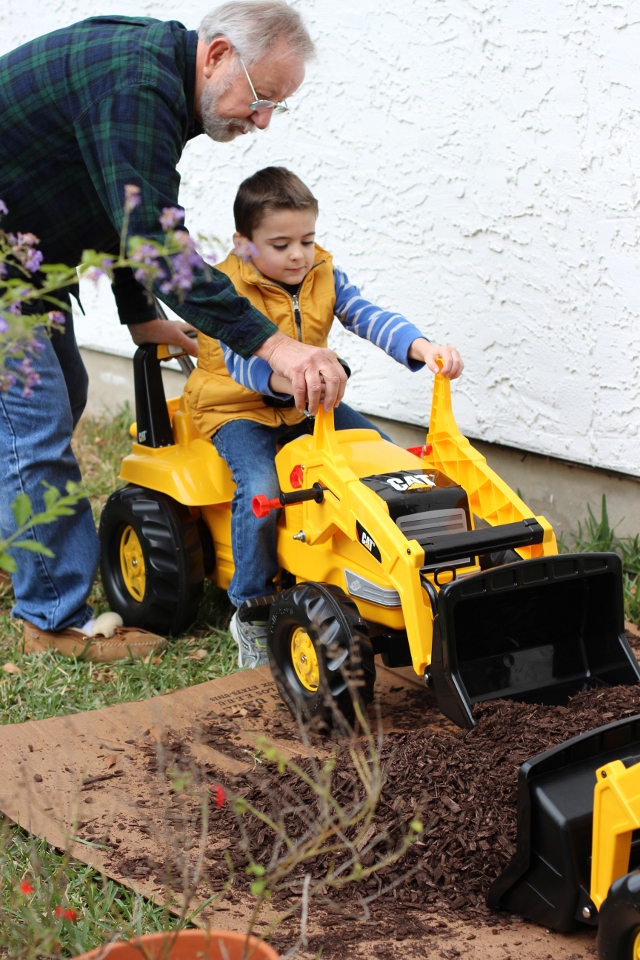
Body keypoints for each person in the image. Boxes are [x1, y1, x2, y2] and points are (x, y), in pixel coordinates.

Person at [0, 2, 349, 662]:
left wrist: (139, 315)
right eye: (262, 97)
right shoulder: (137, 83)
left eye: (278, 106)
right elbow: (157, 242)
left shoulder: (156, 79)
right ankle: (51, 623)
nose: (263, 120)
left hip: (25, 252)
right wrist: (273, 343)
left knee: (59, 395)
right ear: (218, 56)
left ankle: (26, 551)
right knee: (34, 422)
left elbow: (123, 200)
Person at [183, 166, 464, 668]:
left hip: (310, 403)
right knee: (261, 485)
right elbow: (239, 361)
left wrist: (422, 347)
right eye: (281, 243)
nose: (297, 255)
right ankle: (249, 608)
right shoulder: (223, 291)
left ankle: (415, 569)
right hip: (236, 409)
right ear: (244, 244)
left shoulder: (323, 275)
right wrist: (287, 380)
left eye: (307, 240)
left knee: (385, 464)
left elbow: (366, 315)